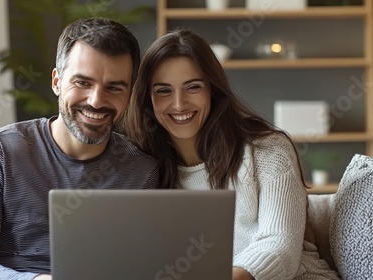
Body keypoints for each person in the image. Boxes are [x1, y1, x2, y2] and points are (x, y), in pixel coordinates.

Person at [0, 17, 158, 280]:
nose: (96, 101)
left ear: (129, 94)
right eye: (83, 83)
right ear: (57, 82)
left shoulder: (142, 171)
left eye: (114, 88)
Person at [123, 29, 339, 280]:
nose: (179, 104)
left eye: (193, 87)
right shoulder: (144, 168)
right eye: (163, 91)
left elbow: (279, 246)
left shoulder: (268, 150)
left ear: (212, 90)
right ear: (147, 100)